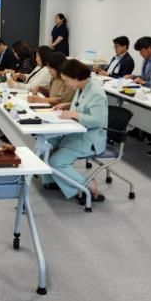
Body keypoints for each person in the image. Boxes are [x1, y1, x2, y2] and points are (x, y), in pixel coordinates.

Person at [40, 60, 107, 203]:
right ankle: (53, 180)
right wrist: (67, 105)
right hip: (77, 132)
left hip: (90, 139)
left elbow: (98, 121)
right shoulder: (82, 86)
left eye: (66, 80)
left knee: (57, 162)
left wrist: (74, 114)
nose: (66, 84)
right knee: (46, 145)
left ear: (76, 76)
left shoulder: (96, 93)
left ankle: (87, 186)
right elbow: (83, 104)